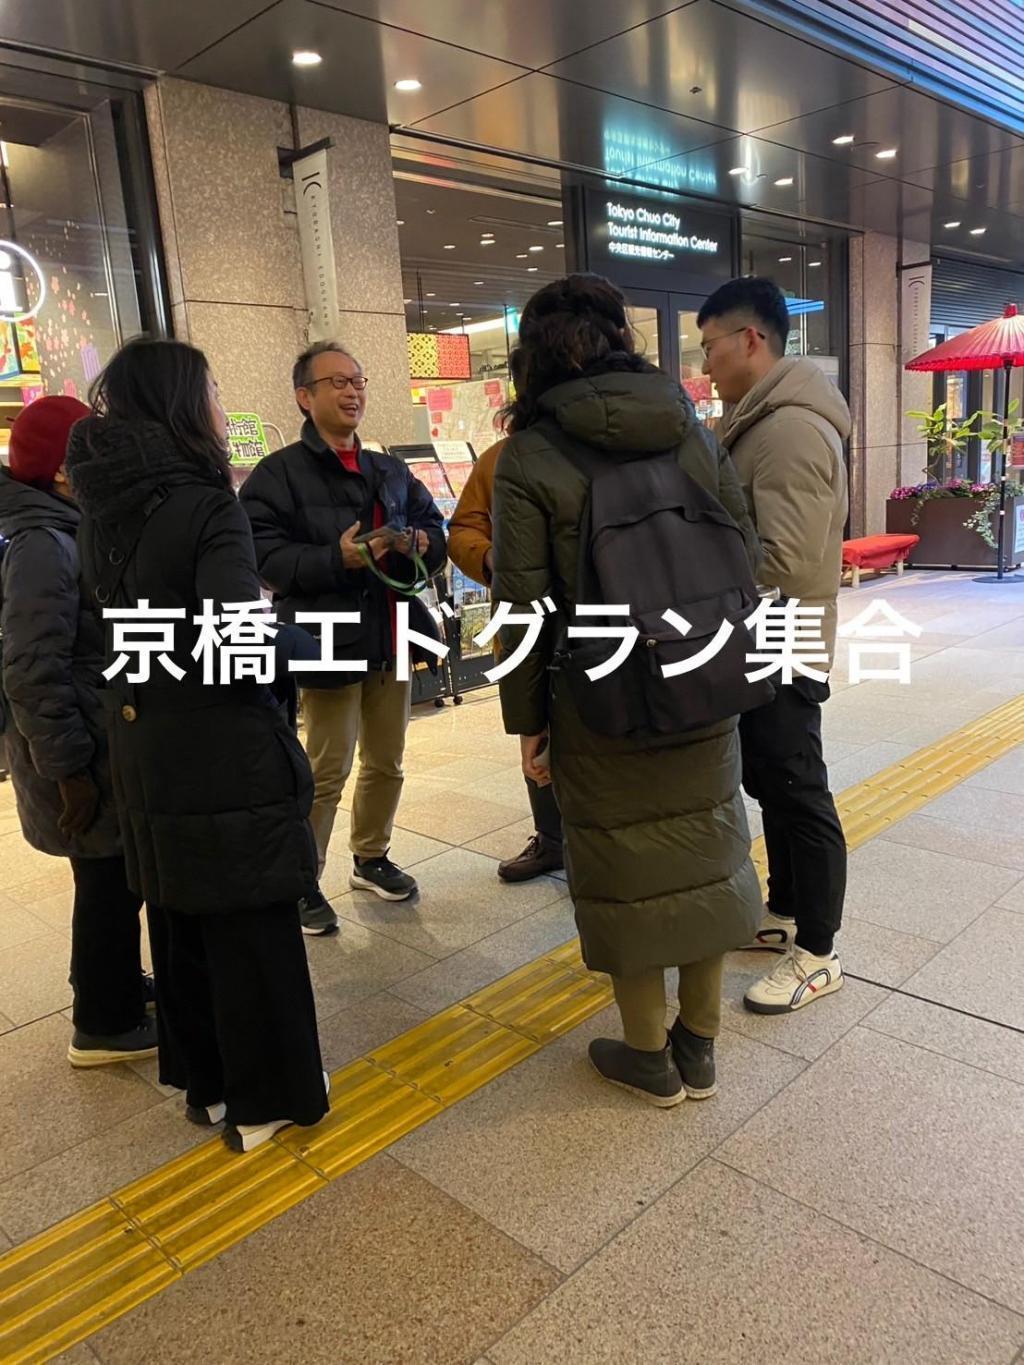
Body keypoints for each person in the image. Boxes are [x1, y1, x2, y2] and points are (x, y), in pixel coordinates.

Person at [492, 273, 763, 1107]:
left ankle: (649, 1052)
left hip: (601, 696)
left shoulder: (529, 456)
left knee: (624, 864)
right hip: (700, 673)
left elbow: (524, 605)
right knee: (706, 851)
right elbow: (742, 546)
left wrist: (528, 724)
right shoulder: (688, 427)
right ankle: (702, 1044)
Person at [67, 338, 328, 1153]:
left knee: (181, 918)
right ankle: (268, 1099)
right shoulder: (208, 504)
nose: (221, 405)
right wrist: (299, 637)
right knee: (252, 925)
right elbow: (234, 643)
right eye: (213, 389)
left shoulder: (98, 510)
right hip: (223, 747)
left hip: (144, 745)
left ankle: (208, 1086)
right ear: (186, 404)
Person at [240, 341, 447, 934]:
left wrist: (424, 546)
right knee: (325, 768)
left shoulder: (388, 468)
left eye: (358, 379)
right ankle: (302, 880)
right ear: (304, 397)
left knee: (388, 761)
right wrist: (336, 560)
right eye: (336, 382)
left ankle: (371, 857)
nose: (353, 391)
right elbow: (262, 557)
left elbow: (433, 527)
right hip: (327, 639)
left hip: (393, 634)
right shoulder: (277, 474)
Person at [698, 276, 850, 1014]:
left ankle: (819, 951)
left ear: (750, 339)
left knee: (797, 789)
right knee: (773, 781)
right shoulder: (760, 420)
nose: (707, 363)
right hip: (761, 637)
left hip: (780, 637)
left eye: (711, 346)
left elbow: (785, 560)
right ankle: (786, 911)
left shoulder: (787, 428)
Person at [0, 396, 156, 1067]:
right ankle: (102, 1021)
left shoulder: (61, 526)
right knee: (105, 882)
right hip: (74, 753)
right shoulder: (44, 541)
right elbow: (32, 666)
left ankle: (110, 983)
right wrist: (68, 769)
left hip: (86, 740)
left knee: (111, 879)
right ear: (63, 472)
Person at [448, 438, 564, 882]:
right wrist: (493, 557)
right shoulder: (502, 456)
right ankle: (552, 839)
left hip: (598, 616)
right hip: (525, 616)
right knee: (532, 723)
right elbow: (463, 530)